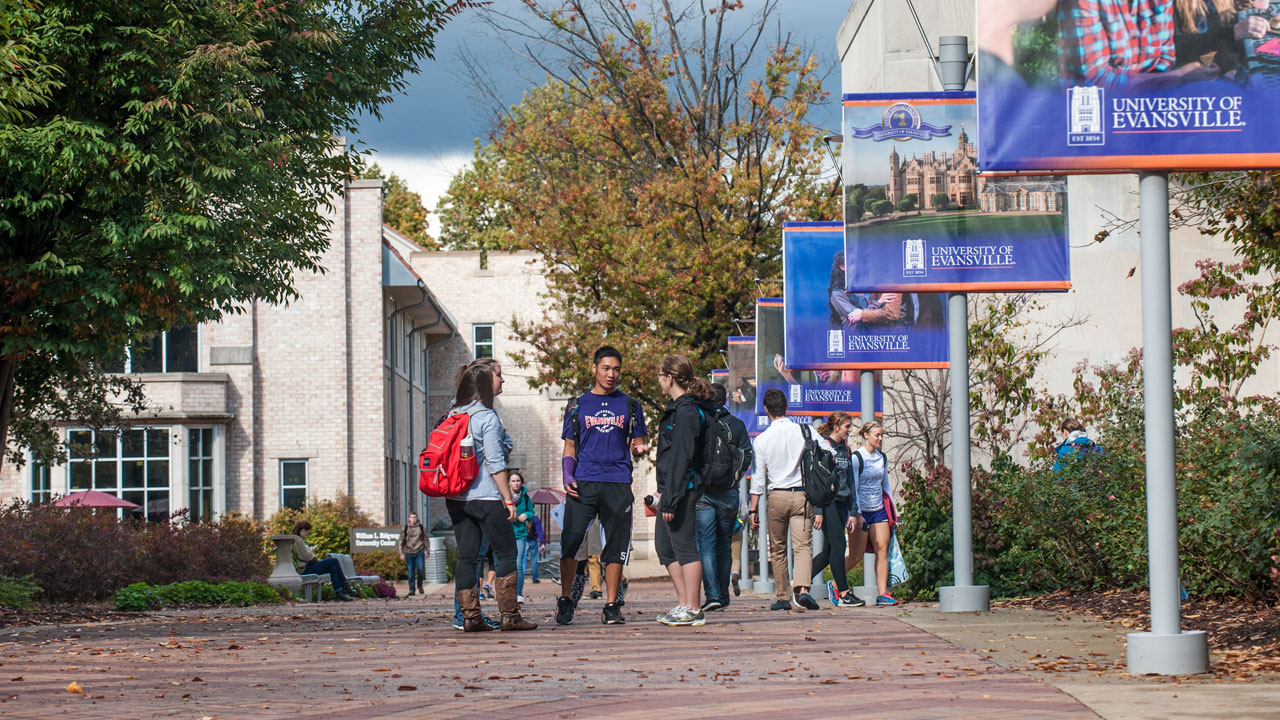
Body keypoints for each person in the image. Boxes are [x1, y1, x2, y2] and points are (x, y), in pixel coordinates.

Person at [557, 346, 648, 626]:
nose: (611, 374)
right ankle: (566, 600)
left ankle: (611, 605)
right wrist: (567, 476)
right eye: (606, 368)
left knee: (616, 546)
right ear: (594, 368)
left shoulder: (631, 405)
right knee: (571, 542)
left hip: (617, 482)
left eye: (616, 369)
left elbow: (638, 442)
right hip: (584, 482)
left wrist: (640, 449)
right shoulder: (576, 405)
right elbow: (569, 448)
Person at [446, 360, 536, 632]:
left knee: (467, 557)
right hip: (485, 496)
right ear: (485, 382)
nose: (502, 380)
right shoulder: (486, 417)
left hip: (457, 497)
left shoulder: (452, 413)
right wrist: (508, 499)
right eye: (498, 375)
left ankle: (470, 617)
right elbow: (496, 463)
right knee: (507, 553)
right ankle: (510, 616)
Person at [653, 355, 714, 626]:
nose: (658, 380)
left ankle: (693, 607)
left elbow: (682, 458)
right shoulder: (679, 409)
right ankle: (683, 605)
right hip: (671, 490)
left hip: (682, 491)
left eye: (660, 375)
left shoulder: (688, 411)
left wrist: (672, 499)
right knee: (665, 548)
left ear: (670, 378)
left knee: (686, 549)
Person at [749, 388, 821, 612]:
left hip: (777, 495)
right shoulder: (805, 431)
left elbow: (758, 478)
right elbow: (828, 450)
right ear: (786, 407)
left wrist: (753, 509)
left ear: (766, 410)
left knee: (778, 548)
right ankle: (803, 590)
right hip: (803, 495)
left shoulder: (762, 440)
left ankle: (782, 596)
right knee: (802, 546)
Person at [1059, 0, 1216, 89]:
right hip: (1095, 114)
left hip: (1147, 103)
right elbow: (1094, 80)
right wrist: (1180, 77)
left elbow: (1165, 57)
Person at [695, 383, 754, 612]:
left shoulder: (701, 422)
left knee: (706, 544)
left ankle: (712, 596)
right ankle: (724, 594)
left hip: (704, 492)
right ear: (725, 400)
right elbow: (747, 455)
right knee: (724, 545)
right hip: (729, 492)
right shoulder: (737, 425)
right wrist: (735, 477)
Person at [810, 412, 866, 608]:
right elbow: (817, 481)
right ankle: (843, 593)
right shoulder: (823, 447)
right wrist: (818, 510)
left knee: (828, 552)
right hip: (828, 503)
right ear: (836, 427)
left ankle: (798, 581)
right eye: (847, 427)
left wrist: (853, 511)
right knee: (839, 545)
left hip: (843, 503)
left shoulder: (846, 451)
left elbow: (850, 481)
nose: (850, 430)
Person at [853, 421, 897, 607]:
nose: (880, 438)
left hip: (879, 510)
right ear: (866, 435)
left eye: (881, 435)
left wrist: (892, 510)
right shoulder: (857, 458)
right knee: (857, 555)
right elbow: (854, 487)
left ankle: (883, 594)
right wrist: (857, 513)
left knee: (882, 550)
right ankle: (837, 585)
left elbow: (885, 484)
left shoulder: (882, 458)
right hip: (862, 511)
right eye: (876, 435)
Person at [1173, 0, 1267, 72]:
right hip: (1195, 73)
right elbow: (1178, 48)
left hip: (1226, 64)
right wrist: (1233, 33)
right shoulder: (1169, 4)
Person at [291, 520, 355, 601]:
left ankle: (339, 592)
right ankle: (344, 586)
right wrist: (311, 552)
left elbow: (304, 554)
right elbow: (306, 556)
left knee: (333, 567)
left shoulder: (297, 540)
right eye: (307, 532)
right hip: (305, 569)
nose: (307, 535)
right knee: (334, 561)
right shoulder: (298, 541)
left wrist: (310, 552)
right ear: (303, 530)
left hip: (306, 567)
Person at [508, 471, 535, 603]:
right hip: (506, 533)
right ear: (508, 483)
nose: (516, 483)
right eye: (513, 481)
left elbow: (531, 511)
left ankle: (518, 593)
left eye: (518, 481)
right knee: (505, 563)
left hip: (520, 533)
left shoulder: (525, 497)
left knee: (519, 563)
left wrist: (526, 515)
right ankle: (506, 592)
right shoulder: (504, 496)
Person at [398, 511, 428, 597]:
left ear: (417, 518)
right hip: (409, 552)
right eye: (412, 517)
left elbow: (426, 539)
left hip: (420, 551)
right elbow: (401, 541)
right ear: (409, 518)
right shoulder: (406, 528)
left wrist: (427, 551)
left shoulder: (421, 528)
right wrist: (401, 553)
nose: (413, 519)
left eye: (415, 517)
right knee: (411, 572)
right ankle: (412, 589)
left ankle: (420, 585)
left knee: (421, 569)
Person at [526, 514, 545, 584]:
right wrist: (542, 543)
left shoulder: (522, 517)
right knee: (534, 560)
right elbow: (540, 531)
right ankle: (535, 578)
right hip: (533, 540)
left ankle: (521, 578)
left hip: (524, 541)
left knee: (523, 560)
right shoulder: (535, 518)